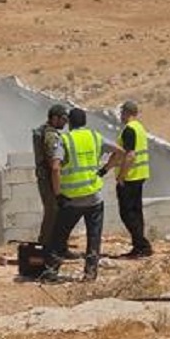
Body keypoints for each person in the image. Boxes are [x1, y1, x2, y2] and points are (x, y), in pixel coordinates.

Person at [41, 108, 124, 282]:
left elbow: (55, 168)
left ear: (69, 122)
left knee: (59, 236)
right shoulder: (95, 137)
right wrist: (104, 170)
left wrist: (57, 194)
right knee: (94, 237)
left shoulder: (65, 139)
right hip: (94, 197)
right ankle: (90, 274)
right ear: (85, 121)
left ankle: (51, 272)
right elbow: (120, 151)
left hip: (71, 199)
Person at [32, 104, 76, 258]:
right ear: (54, 118)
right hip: (49, 180)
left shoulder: (45, 131)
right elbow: (54, 165)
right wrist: (58, 192)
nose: (65, 122)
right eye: (63, 119)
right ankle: (48, 249)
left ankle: (52, 247)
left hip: (47, 179)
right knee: (53, 214)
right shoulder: (51, 136)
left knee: (53, 213)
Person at [115, 100, 153, 258]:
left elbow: (130, 155)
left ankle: (142, 245)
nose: (120, 116)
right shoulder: (140, 128)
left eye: (122, 113)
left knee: (127, 213)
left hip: (130, 177)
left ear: (126, 113)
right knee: (136, 212)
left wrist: (121, 177)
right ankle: (139, 246)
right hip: (140, 175)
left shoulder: (129, 130)